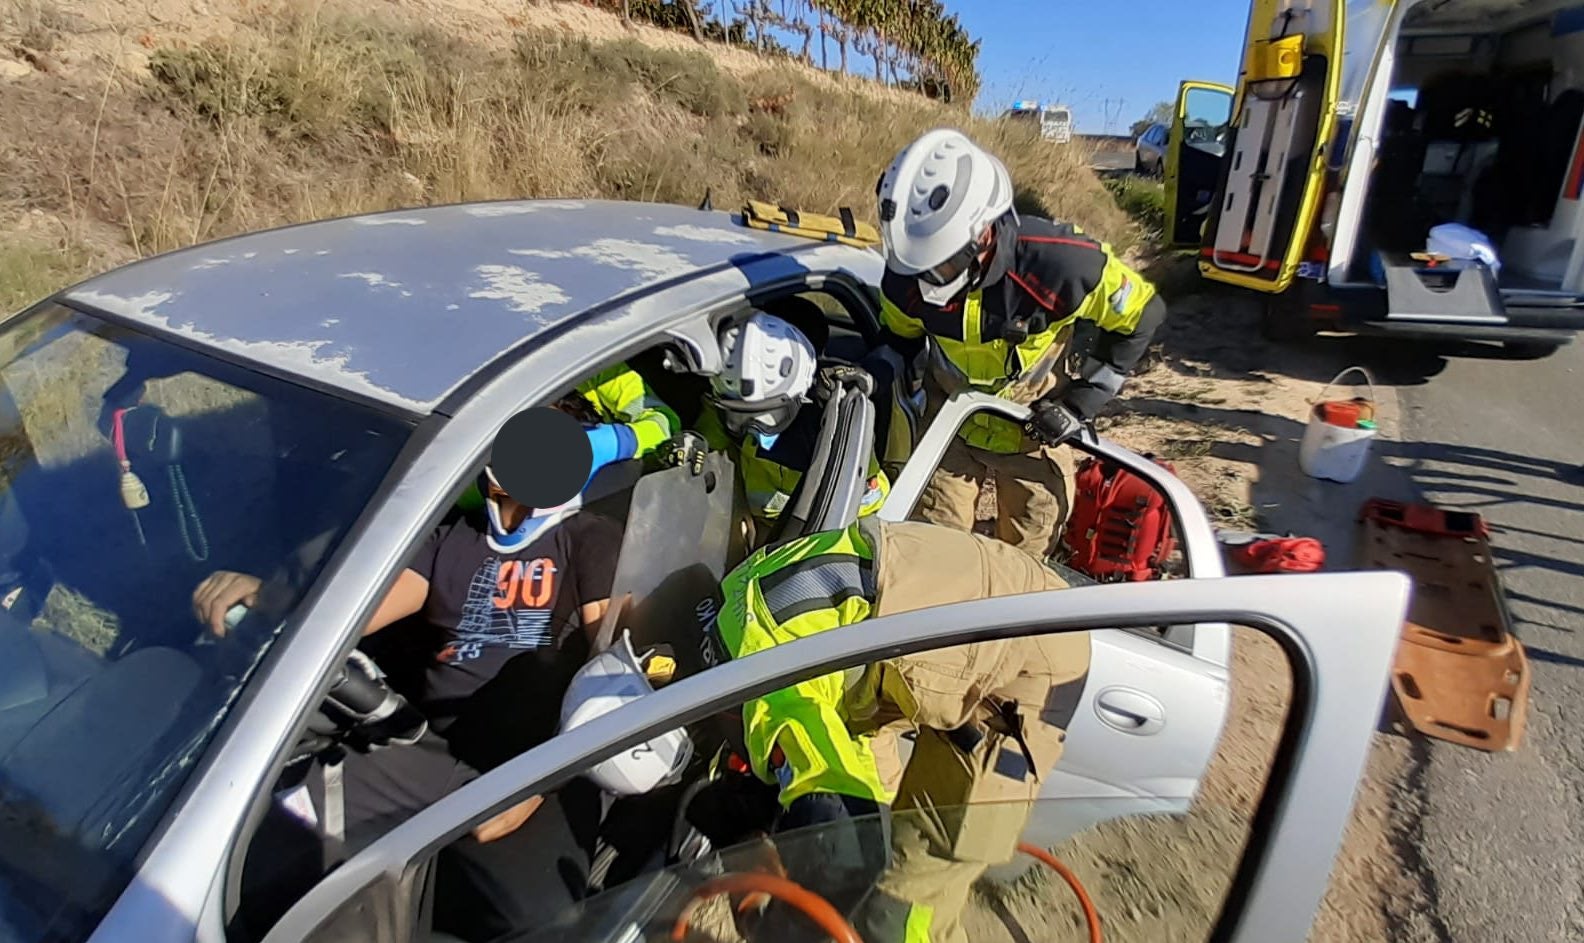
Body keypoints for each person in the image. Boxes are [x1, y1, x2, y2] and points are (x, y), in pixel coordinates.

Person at [195, 450, 625, 940]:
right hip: (432, 754)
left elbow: (611, 681)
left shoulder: (588, 540)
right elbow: (352, 617)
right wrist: (267, 595)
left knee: (538, 927)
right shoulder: (451, 541)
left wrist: (540, 782)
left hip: (540, 767)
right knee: (277, 831)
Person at [705, 517, 1092, 943]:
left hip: (1030, 650)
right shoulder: (728, 608)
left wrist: (777, 924)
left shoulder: (769, 683)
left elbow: (842, 830)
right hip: (932, 621)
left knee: (905, 896)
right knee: (877, 818)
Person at [874, 128, 1167, 557]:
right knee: (935, 552)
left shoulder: (1060, 264)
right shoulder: (905, 278)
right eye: (919, 266)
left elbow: (1143, 314)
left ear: (983, 235)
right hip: (949, 428)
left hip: (1035, 432)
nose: (927, 280)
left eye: (942, 266)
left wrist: (1080, 405)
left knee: (1025, 560)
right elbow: (897, 341)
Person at [693, 303, 890, 536]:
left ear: (797, 394)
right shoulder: (723, 409)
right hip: (754, 524)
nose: (750, 425)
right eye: (740, 413)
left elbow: (861, 500)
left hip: (836, 529)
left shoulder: (834, 419)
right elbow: (707, 445)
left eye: (763, 414)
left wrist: (839, 415)